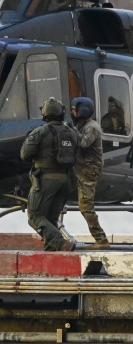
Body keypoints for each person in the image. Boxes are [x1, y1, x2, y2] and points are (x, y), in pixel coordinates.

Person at [20, 97, 79, 252]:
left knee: (35, 216)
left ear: (45, 114)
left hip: (46, 180)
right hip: (66, 180)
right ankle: (51, 248)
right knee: (51, 218)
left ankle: (60, 243)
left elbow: (24, 155)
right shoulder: (72, 133)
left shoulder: (40, 132)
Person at [71, 97, 110, 250]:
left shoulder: (91, 127)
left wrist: (71, 131)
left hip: (89, 170)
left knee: (85, 206)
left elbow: (83, 143)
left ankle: (101, 240)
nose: (72, 113)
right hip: (83, 168)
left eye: (74, 109)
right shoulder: (84, 125)